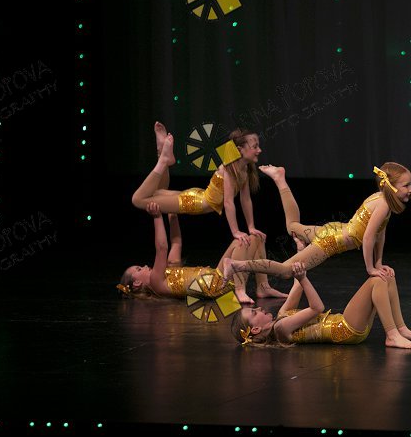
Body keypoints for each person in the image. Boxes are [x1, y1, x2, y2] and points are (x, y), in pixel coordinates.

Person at [119, 123, 286, 303]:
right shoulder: (156, 283)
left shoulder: (169, 271)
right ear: (137, 283)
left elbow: (175, 242)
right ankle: (163, 158)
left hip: (200, 205)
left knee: (147, 196)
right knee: (249, 240)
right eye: (139, 269)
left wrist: (171, 216)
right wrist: (157, 217)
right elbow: (162, 247)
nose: (144, 265)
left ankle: (262, 287)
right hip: (214, 284)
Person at [221, 163, 411, 281]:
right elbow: (369, 238)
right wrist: (370, 268)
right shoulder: (384, 204)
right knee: (286, 271)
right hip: (331, 241)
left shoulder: (382, 199)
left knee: (292, 226)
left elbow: (380, 233)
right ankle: (236, 265)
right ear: (390, 186)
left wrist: (379, 261)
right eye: (406, 185)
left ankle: (280, 179)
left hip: (335, 230)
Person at [229, 236, 411, 348]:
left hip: (349, 325)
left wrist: (301, 255)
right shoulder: (280, 329)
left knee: (386, 277)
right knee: (376, 281)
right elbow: (317, 307)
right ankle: (392, 335)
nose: (259, 309)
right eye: (254, 313)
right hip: (345, 328)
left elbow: (297, 285)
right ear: (255, 330)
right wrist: (303, 278)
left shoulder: (282, 316)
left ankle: (400, 328)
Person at [131, 121, 267, 247]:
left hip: (198, 195)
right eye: (255, 147)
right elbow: (228, 202)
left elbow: (245, 199)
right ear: (240, 149)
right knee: (138, 200)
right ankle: (163, 159)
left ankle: (162, 153)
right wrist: (235, 232)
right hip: (194, 203)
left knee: (157, 192)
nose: (259, 150)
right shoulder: (229, 169)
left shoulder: (244, 169)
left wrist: (251, 227)